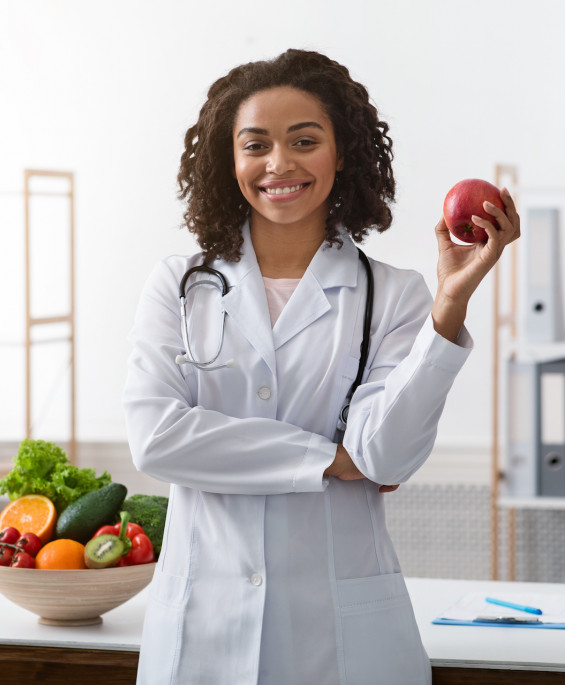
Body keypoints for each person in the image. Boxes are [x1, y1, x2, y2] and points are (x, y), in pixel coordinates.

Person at [123, 49, 520, 685]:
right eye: (256, 145)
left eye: (304, 141)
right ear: (230, 163)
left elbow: (385, 457)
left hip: (342, 641)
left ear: (342, 154)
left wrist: (449, 307)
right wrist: (330, 459)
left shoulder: (395, 294)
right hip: (202, 632)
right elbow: (157, 438)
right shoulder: (179, 284)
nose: (279, 163)